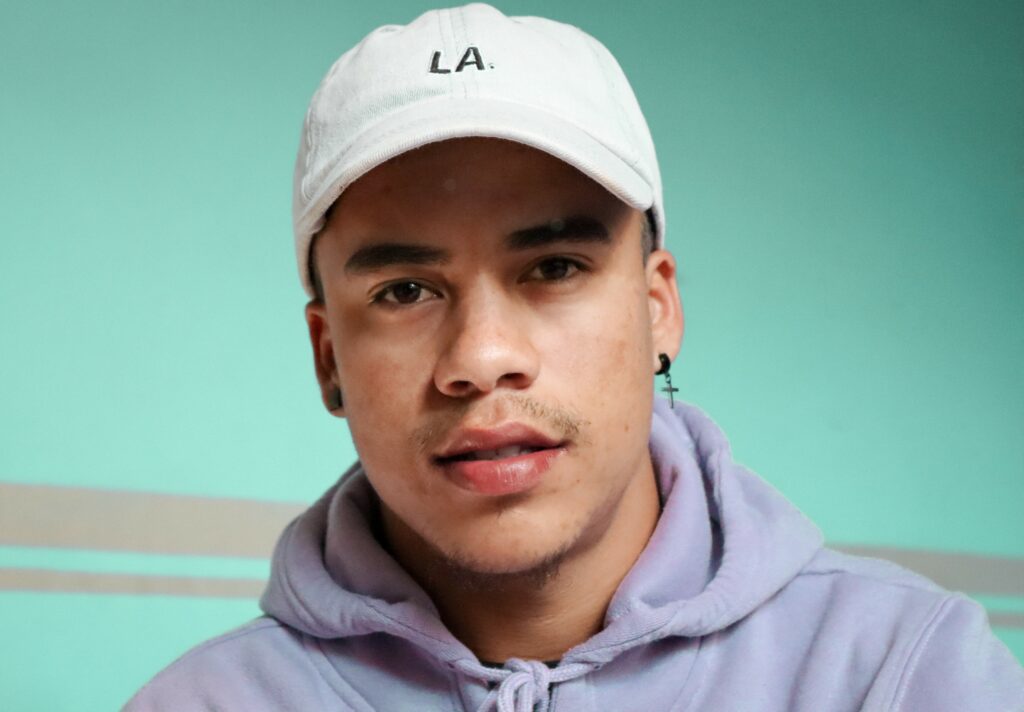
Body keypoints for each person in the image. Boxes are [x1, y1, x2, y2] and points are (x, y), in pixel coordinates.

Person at [125, 4, 1023, 710]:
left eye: (554, 268)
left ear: (659, 307)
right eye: (404, 290)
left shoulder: (904, 675)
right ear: (328, 358)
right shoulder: (197, 705)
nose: (481, 358)